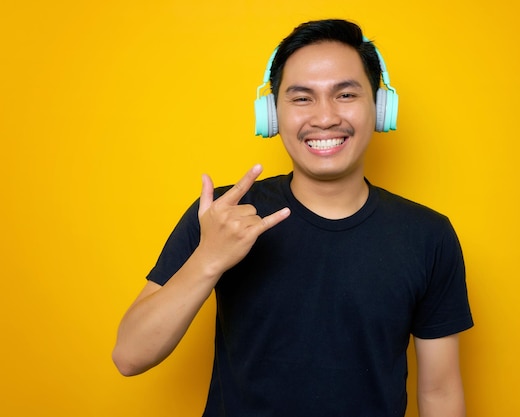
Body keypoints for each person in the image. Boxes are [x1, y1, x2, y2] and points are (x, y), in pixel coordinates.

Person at [112, 18, 473, 417]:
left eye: (346, 94)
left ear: (380, 106)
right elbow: (129, 356)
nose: (324, 117)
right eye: (302, 98)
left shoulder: (428, 236)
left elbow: (440, 393)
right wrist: (208, 257)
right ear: (271, 114)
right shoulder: (223, 214)